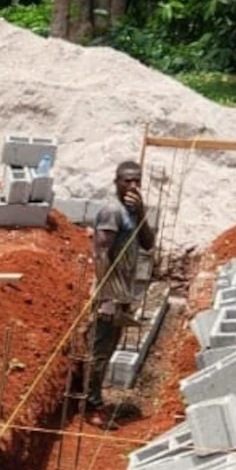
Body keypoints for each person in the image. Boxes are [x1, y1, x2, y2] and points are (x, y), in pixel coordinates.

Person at [84, 160, 156, 426]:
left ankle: (94, 397)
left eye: (137, 180)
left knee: (109, 346)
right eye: (128, 180)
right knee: (99, 350)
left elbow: (148, 243)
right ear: (116, 182)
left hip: (123, 294)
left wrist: (142, 214)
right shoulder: (111, 212)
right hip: (109, 295)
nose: (133, 185)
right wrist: (109, 296)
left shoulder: (133, 212)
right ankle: (92, 406)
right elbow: (101, 255)